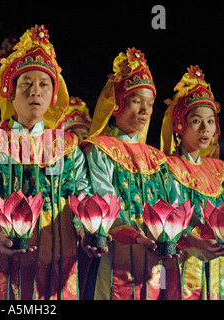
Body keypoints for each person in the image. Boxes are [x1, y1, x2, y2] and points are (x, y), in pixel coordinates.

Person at [0, 24, 92, 300]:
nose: (35, 91)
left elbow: (80, 194)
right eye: (26, 84)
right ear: (10, 92)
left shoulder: (67, 145)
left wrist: (88, 230)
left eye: (43, 85)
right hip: (5, 252)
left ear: (53, 95)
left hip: (60, 258)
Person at [82, 48, 177, 300]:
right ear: (117, 103)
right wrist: (137, 236)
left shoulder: (156, 158)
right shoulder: (100, 148)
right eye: (136, 101)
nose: (145, 110)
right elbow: (103, 201)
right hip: (114, 253)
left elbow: (169, 203)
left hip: (152, 257)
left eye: (149, 103)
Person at [161, 65, 224, 300]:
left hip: (218, 262)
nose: (205, 128)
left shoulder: (219, 169)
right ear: (180, 124)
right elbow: (170, 216)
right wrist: (196, 239)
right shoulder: (168, 166)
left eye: (210, 121)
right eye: (196, 120)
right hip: (183, 259)